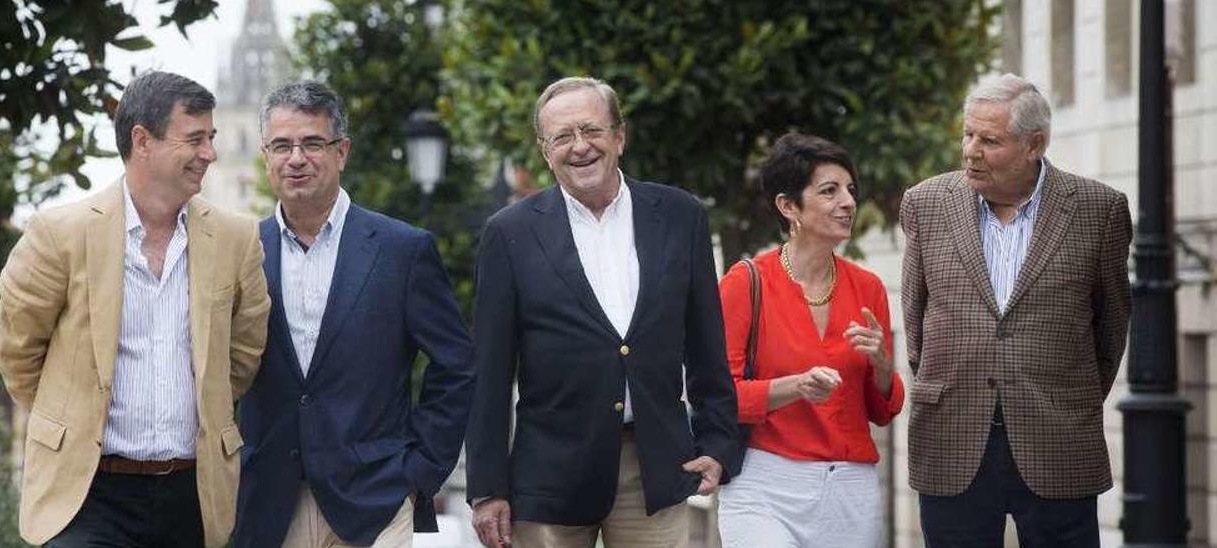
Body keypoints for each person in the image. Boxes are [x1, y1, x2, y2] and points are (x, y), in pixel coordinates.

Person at [0, 71, 271, 547]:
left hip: (193, 496)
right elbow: (17, 354)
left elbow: (243, 355)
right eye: (196, 138)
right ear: (143, 140)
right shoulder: (58, 235)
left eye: (213, 138)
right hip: (85, 498)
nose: (210, 153)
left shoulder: (236, 239)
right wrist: (71, 417)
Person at [465, 76, 740, 548]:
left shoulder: (681, 215)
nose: (580, 148)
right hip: (549, 475)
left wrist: (717, 443)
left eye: (591, 131)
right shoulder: (508, 233)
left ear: (619, 136)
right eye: (562, 137)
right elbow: (489, 372)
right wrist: (487, 488)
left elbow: (706, 344)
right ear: (543, 150)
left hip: (655, 467)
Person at [232, 81, 475, 548]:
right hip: (267, 503)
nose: (296, 158)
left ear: (341, 151)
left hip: (377, 501)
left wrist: (419, 469)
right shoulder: (240, 252)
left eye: (312, 143)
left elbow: (456, 364)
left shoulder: (402, 249)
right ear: (266, 156)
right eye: (282, 145)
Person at [901, 73, 1132, 547]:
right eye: (967, 134)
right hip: (952, 439)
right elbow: (916, 319)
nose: (970, 150)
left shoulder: (1099, 210)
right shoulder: (925, 204)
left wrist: (1067, 397)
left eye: (989, 140)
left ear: (1035, 145)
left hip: (1058, 441)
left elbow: (1111, 329)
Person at [715, 133, 904, 548]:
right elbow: (721, 395)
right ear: (788, 206)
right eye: (829, 191)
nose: (848, 202)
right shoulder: (745, 283)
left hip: (850, 489)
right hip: (765, 484)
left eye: (851, 190)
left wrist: (884, 369)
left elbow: (881, 411)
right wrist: (794, 387)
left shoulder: (868, 288)